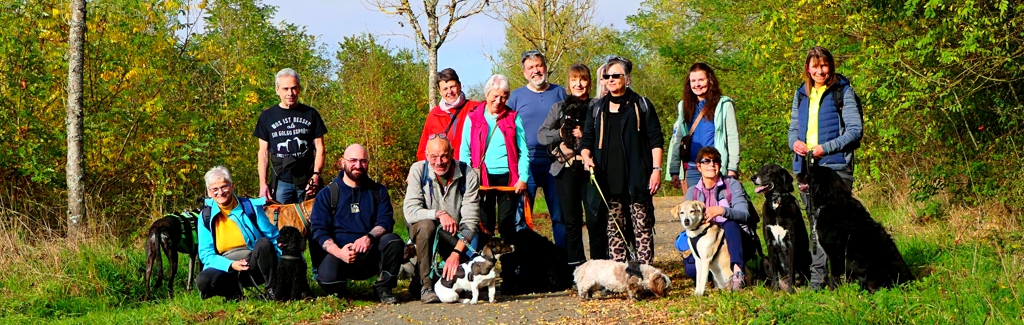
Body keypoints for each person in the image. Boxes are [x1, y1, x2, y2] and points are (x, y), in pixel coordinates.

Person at [787, 46, 863, 289]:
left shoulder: (844, 91)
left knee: (836, 226)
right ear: (807, 68)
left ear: (830, 65)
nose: (820, 70)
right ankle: (818, 279)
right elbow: (792, 131)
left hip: (835, 167)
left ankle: (839, 277)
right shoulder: (801, 94)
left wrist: (825, 148)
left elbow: (854, 130)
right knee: (815, 224)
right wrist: (795, 143)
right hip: (806, 167)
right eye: (815, 66)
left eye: (824, 65)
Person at [580, 56, 664, 265]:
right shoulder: (597, 108)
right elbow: (587, 138)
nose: (610, 80)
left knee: (642, 226)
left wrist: (656, 169)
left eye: (615, 76)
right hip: (608, 178)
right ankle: (619, 276)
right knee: (614, 229)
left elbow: (656, 138)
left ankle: (645, 274)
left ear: (627, 79)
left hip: (637, 176)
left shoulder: (641, 104)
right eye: (606, 76)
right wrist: (585, 156)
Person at [309, 144, 404, 304]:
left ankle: (383, 288)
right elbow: (318, 231)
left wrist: (368, 238)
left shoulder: (378, 191)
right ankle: (339, 291)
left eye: (363, 161)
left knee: (393, 241)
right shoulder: (327, 194)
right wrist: (339, 252)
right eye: (353, 160)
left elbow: (385, 221)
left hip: (369, 254)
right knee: (330, 281)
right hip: (339, 254)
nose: (358, 165)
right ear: (342, 162)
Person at [537, 63, 604, 266]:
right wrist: (560, 133)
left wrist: (585, 134)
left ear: (589, 82)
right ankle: (577, 267)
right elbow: (541, 136)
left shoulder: (598, 106)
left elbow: (606, 135)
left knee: (595, 220)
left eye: (583, 79)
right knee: (571, 221)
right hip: (566, 170)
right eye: (574, 80)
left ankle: (599, 265)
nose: (579, 84)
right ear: (568, 83)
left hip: (591, 168)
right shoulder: (558, 108)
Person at [404, 135, 482, 303]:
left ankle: (427, 277)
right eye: (433, 157)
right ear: (426, 155)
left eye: (444, 155)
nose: (439, 162)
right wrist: (438, 213)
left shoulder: (469, 175)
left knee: (466, 288)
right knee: (427, 226)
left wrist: (455, 254)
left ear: (452, 153)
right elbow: (410, 212)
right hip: (424, 230)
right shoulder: (418, 170)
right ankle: (426, 286)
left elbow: (471, 221)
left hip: (454, 235)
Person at [507, 50, 567, 248]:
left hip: (555, 164)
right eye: (531, 67)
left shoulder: (560, 93)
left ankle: (563, 262)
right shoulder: (515, 97)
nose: (536, 70)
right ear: (524, 72)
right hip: (527, 167)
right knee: (522, 219)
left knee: (560, 216)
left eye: (539, 66)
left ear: (545, 68)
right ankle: (524, 263)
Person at [460, 74, 530, 241]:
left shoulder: (514, 117)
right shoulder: (472, 117)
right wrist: (466, 177)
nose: (499, 101)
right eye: (495, 96)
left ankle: (510, 264)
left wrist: (523, 177)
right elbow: (464, 150)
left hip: (508, 178)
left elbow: (524, 150)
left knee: (507, 224)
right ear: (487, 94)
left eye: (503, 97)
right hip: (481, 178)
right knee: (485, 223)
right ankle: (484, 264)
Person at [196, 166, 281, 300]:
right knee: (203, 280)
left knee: (264, 243)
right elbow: (206, 254)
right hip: (225, 267)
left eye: (224, 187)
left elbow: (274, 237)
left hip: (254, 263)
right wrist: (230, 265)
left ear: (232, 186)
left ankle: (273, 290)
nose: (220, 192)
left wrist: (285, 262)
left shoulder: (251, 206)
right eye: (215, 189)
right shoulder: (204, 217)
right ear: (209, 192)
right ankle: (234, 294)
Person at [681, 147, 753, 290]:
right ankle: (716, 278)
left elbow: (745, 214)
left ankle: (738, 274)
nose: (711, 164)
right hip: (708, 241)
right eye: (706, 161)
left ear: (720, 165)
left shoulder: (732, 184)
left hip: (736, 239)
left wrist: (721, 211)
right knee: (690, 269)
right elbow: (687, 220)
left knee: (730, 224)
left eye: (715, 161)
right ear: (699, 166)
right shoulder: (692, 192)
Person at [254, 68, 328, 203]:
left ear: (299, 89)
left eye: (293, 88)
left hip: (308, 181)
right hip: (281, 181)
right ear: (277, 90)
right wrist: (263, 184)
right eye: (285, 89)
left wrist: (316, 175)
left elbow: (320, 148)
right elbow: (263, 153)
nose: (290, 93)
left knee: (312, 221)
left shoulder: (311, 114)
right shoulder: (267, 117)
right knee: (282, 222)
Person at [667, 63, 741, 189]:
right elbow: (677, 139)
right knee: (695, 207)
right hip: (692, 168)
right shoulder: (683, 106)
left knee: (717, 207)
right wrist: (674, 170)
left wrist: (732, 168)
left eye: (701, 80)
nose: (697, 85)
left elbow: (732, 138)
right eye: (693, 81)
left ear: (710, 81)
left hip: (716, 167)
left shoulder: (724, 105)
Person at [416, 68, 482, 161]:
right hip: (442, 170)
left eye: (452, 87)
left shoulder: (475, 108)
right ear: (440, 91)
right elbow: (423, 150)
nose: (449, 92)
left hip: (469, 168)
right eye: (445, 89)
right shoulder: (434, 115)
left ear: (460, 85)